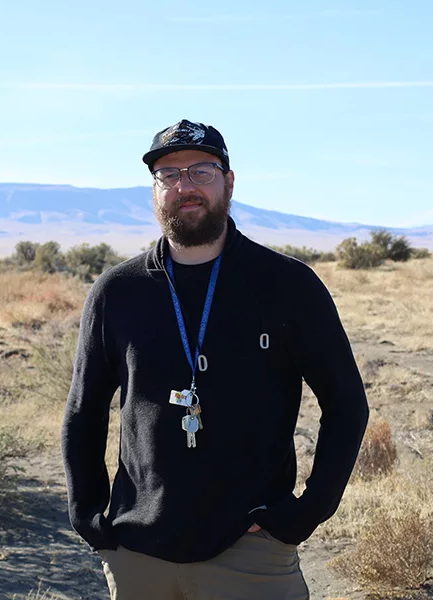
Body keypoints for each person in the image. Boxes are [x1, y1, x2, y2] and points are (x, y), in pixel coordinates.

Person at [61, 119, 369, 600]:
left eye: (201, 171)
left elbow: (346, 402)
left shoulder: (286, 285)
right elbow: (83, 410)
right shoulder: (117, 292)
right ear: (154, 190)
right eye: (169, 174)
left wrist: (308, 511)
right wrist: (86, 511)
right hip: (138, 554)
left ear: (229, 181)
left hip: (251, 553)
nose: (185, 185)